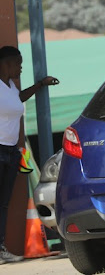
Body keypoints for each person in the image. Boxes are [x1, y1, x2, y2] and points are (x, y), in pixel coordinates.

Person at [0, 45, 59, 263]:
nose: (21, 68)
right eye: (18, 63)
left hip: (10, 151)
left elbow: (18, 100)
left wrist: (40, 85)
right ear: (6, 64)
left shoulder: (10, 87)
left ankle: (0, 248)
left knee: (3, 203)